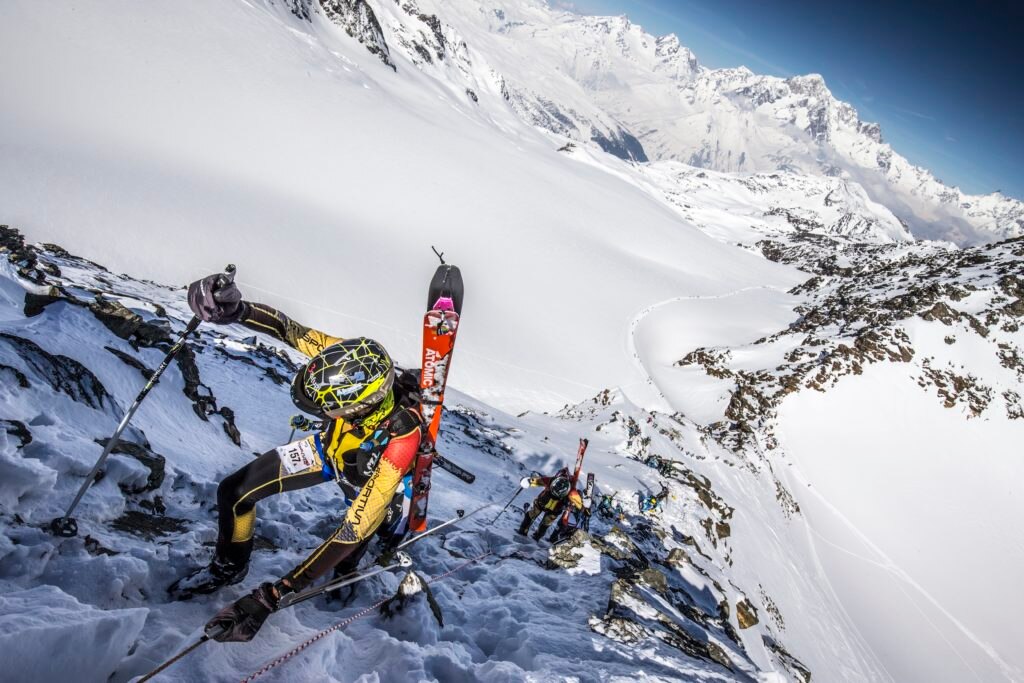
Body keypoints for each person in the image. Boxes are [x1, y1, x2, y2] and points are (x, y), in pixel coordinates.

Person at [168, 272, 424, 643]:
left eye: (329, 407)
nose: (323, 411)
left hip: (372, 480)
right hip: (327, 451)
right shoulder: (353, 360)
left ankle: (348, 579)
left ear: (358, 406)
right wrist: (236, 309)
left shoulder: (402, 438)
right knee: (234, 492)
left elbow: (353, 528)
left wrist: (274, 594)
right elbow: (291, 331)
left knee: (353, 549)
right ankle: (228, 568)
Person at [517, 468, 582, 541]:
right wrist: (527, 481)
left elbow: (579, 503)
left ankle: (535, 537)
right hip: (542, 503)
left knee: (544, 524)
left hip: (554, 509)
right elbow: (537, 481)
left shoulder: (571, 491)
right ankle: (525, 532)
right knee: (531, 516)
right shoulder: (550, 480)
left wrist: (583, 504)